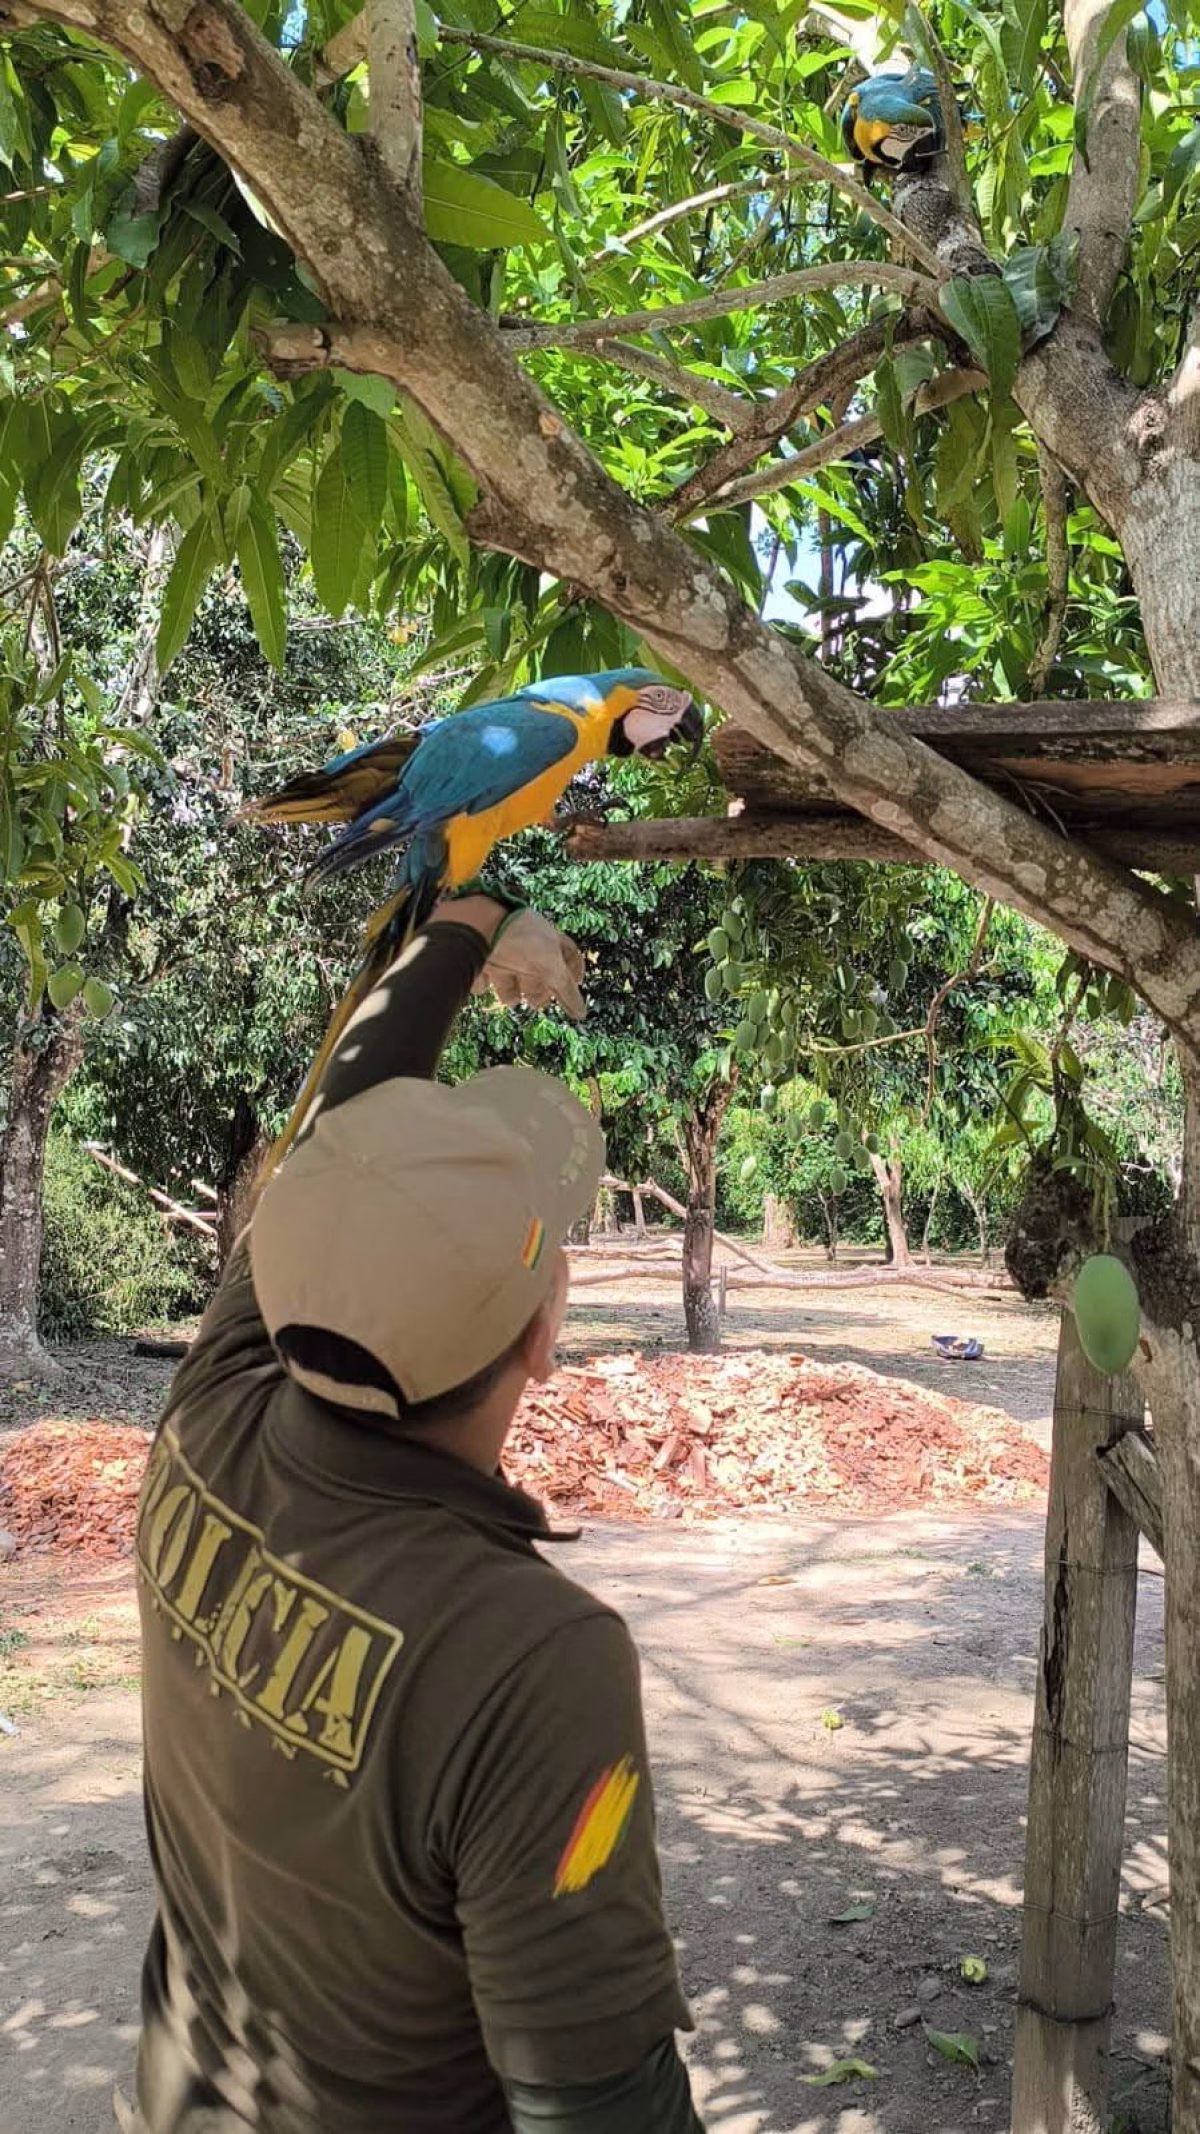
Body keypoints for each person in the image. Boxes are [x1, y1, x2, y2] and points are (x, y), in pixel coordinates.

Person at [122, 890, 705, 2134]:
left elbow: (338, 1115)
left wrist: (470, 920)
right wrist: (476, 923)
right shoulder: (528, 1657)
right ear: (544, 1333)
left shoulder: (213, 1412)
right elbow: (599, 2107)